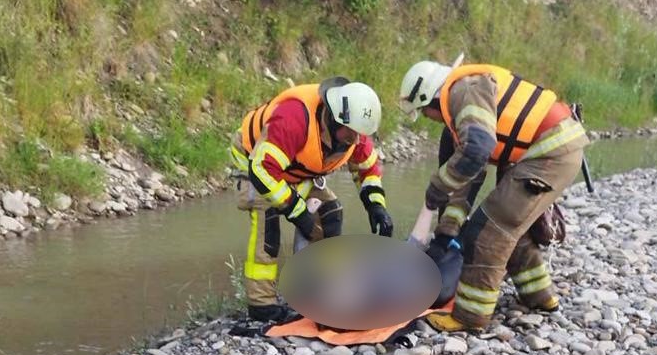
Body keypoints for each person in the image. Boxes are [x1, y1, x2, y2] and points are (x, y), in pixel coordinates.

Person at [398, 57, 588, 331]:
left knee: (487, 232)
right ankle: (539, 296)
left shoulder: (465, 92)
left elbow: (477, 151)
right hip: (555, 150)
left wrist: (436, 186)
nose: (428, 119)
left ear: (432, 98)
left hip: (549, 154)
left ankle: (469, 317)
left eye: (425, 112)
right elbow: (466, 181)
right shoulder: (463, 114)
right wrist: (445, 234)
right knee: (512, 227)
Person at [230, 77, 393, 323]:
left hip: (294, 169)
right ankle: (261, 305)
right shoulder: (293, 120)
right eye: (352, 135)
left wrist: (376, 206)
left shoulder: (353, 129)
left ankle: (318, 289)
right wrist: (298, 212)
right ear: (335, 119)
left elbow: (368, 170)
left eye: (361, 136)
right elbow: (262, 170)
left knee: (330, 213)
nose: (358, 141)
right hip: (256, 163)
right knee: (269, 221)